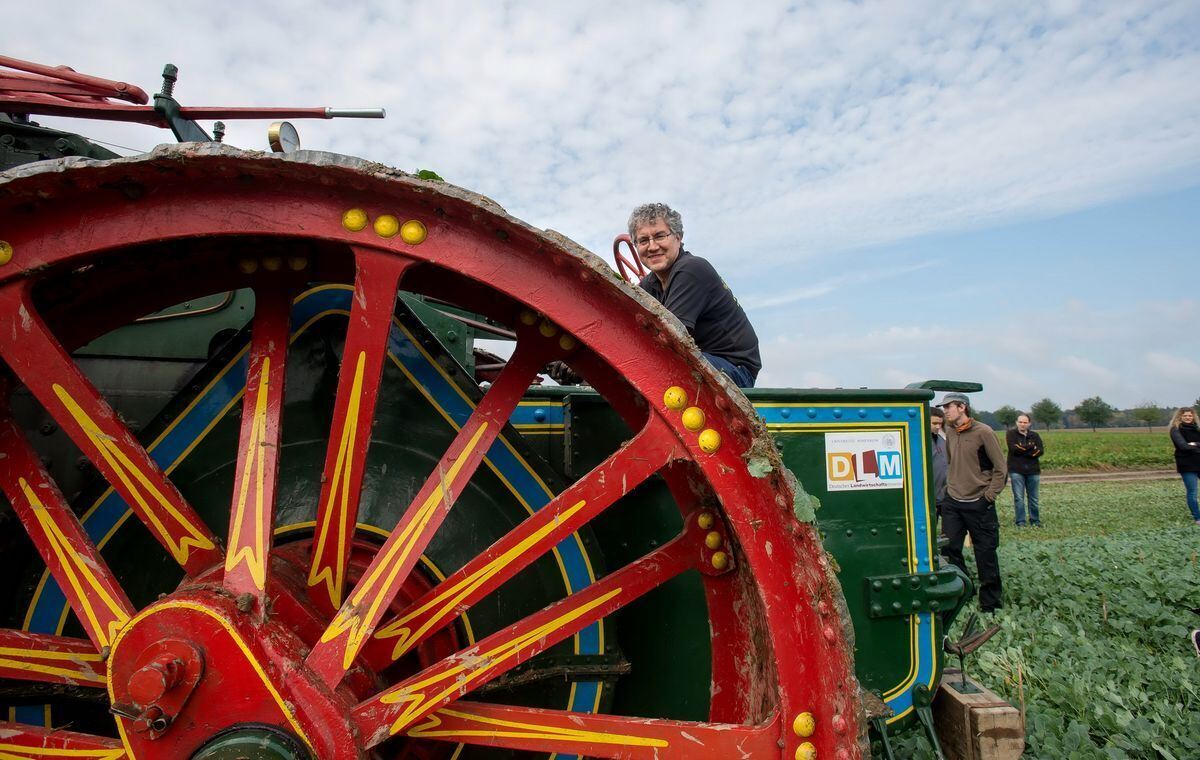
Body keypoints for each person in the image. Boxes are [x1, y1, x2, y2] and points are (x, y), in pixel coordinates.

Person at [628, 203, 761, 388]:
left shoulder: (691, 270)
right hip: (701, 359)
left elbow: (669, 337)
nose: (652, 246)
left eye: (659, 236)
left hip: (734, 368)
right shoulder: (650, 284)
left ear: (678, 237)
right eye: (643, 240)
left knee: (665, 361)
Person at [938, 392, 1008, 613]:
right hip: (953, 501)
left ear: (962, 407)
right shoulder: (949, 431)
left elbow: (1001, 469)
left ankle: (991, 602)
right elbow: (951, 462)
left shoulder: (983, 432)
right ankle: (964, 590)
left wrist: (988, 496)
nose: (945, 411)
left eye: (948, 407)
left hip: (978, 502)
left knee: (985, 553)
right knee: (950, 549)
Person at [1006, 413, 1044, 527]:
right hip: (1016, 470)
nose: (1022, 424)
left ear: (1029, 423)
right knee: (1019, 498)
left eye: (1025, 422)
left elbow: (1040, 451)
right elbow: (1014, 449)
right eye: (1020, 422)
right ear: (1017, 423)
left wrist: (1024, 450)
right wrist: (1031, 448)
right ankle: (1020, 521)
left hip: (1033, 470)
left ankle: (1035, 520)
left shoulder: (1035, 436)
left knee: (1034, 498)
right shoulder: (1011, 434)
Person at [1168, 406, 1200, 525]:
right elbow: (1183, 447)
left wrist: (1194, 443)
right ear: (1180, 416)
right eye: (1185, 415)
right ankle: (1197, 518)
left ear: (1193, 417)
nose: (1188, 417)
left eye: (1190, 415)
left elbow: (1189, 446)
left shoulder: (1197, 428)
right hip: (1187, 465)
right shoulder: (1175, 429)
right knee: (1192, 492)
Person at [930, 406, 948, 531]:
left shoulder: (942, 439)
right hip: (930, 496)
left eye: (940, 424)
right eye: (934, 423)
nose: (937, 427)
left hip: (945, 495)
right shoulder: (920, 441)